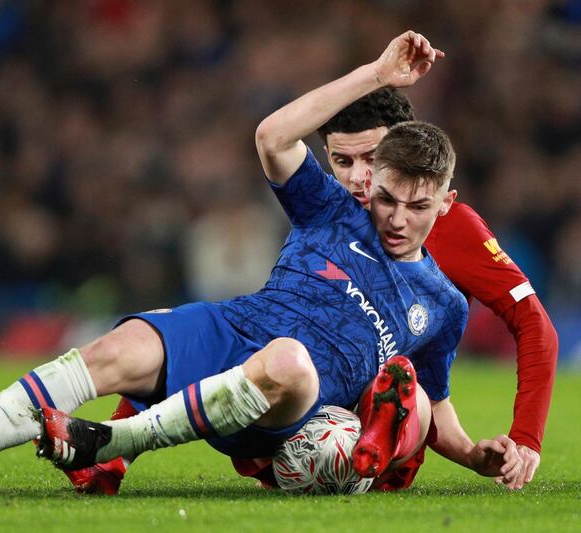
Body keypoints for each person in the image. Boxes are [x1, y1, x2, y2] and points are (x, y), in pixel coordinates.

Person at [0, 32, 521, 497]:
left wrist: (476, 454)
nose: (396, 211)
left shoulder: (444, 303)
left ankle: (108, 445)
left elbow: (438, 404)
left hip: (293, 404)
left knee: (293, 361)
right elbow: (271, 136)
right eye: (384, 191)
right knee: (116, 348)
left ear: (445, 204)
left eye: (415, 202)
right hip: (235, 332)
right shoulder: (334, 209)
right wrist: (377, 74)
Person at [66, 30, 559, 494]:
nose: (359, 178)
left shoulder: (454, 228)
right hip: (297, 416)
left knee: (407, 388)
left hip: (364, 425)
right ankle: (113, 451)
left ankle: (373, 439)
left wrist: (525, 440)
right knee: (201, 336)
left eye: (372, 157)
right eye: (342, 162)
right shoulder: (330, 213)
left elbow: (533, 322)